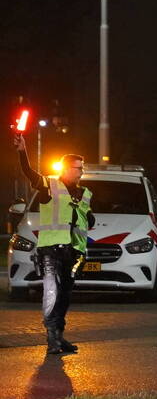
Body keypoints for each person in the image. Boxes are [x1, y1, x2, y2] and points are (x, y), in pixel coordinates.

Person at [13, 134, 94, 354]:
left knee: (65, 293)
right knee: (52, 292)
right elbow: (28, 173)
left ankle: (59, 335)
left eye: (82, 168)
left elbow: (86, 218)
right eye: (78, 168)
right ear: (66, 169)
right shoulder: (49, 186)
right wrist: (23, 151)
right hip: (51, 250)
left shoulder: (85, 193)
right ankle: (52, 340)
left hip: (74, 251)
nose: (81, 172)